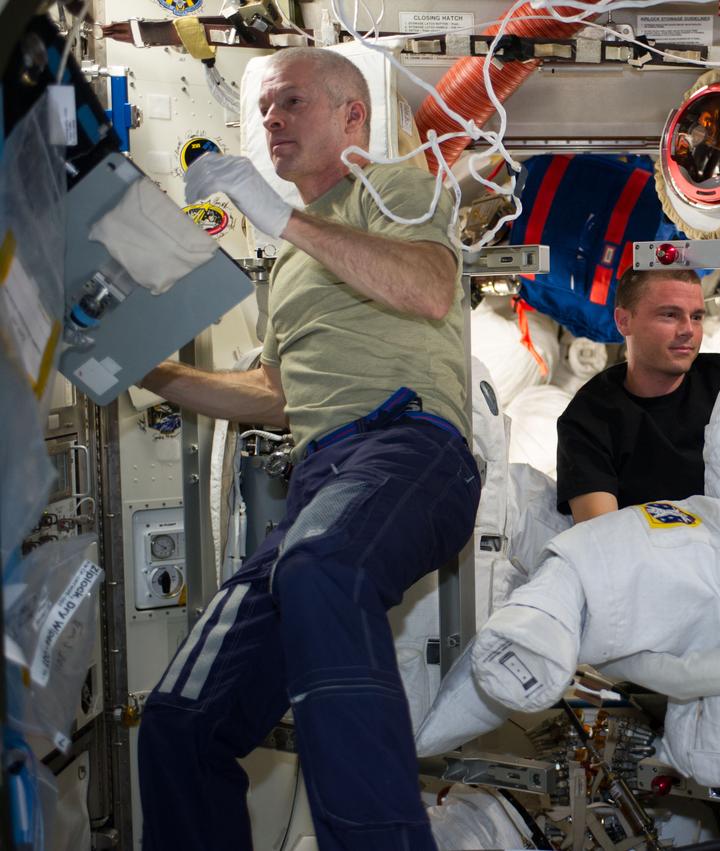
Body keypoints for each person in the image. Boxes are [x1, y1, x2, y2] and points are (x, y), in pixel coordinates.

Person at [134, 47, 478, 851]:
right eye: (265, 110)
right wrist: (148, 369)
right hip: (324, 481)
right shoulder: (290, 267)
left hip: (409, 446)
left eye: (290, 103)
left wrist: (283, 217)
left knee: (320, 566)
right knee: (182, 719)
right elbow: (278, 395)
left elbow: (428, 288)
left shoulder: (398, 192)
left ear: (351, 114)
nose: (270, 120)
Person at [556, 267, 720, 523]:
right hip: (650, 557)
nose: (688, 329)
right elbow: (600, 535)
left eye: (697, 316)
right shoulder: (590, 417)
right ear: (624, 321)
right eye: (669, 315)